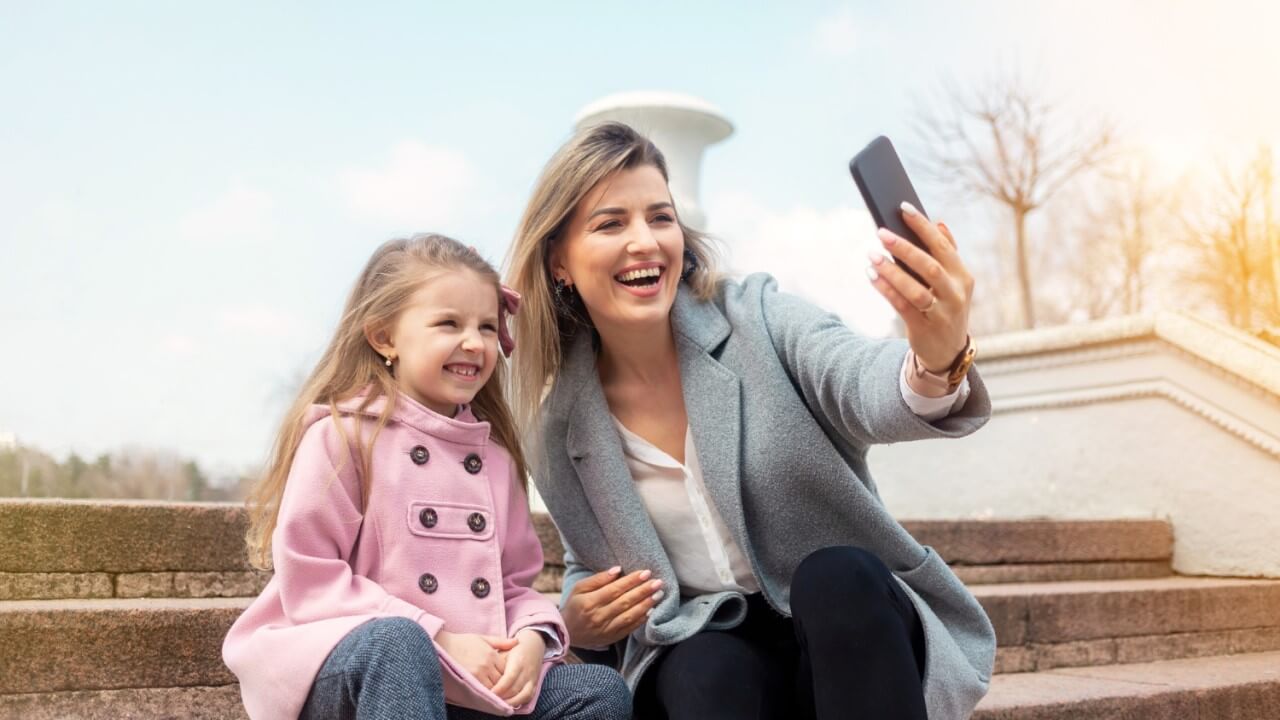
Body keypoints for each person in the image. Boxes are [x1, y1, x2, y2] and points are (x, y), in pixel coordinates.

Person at [505, 123, 995, 720]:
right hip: (715, 662)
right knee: (701, 667)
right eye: (611, 224)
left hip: (853, 635)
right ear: (559, 263)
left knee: (836, 577)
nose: (645, 242)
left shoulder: (756, 318)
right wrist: (575, 621)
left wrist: (936, 358)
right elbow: (598, 558)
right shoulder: (556, 427)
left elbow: (860, 379)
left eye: (660, 218)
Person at [222, 234, 631, 720]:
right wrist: (440, 637)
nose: (473, 342)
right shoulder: (343, 436)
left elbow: (514, 584)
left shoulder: (494, 457)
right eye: (448, 324)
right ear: (384, 337)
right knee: (400, 644)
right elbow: (311, 577)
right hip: (353, 669)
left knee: (597, 689)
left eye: (485, 326)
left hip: (465, 682)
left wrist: (530, 639)